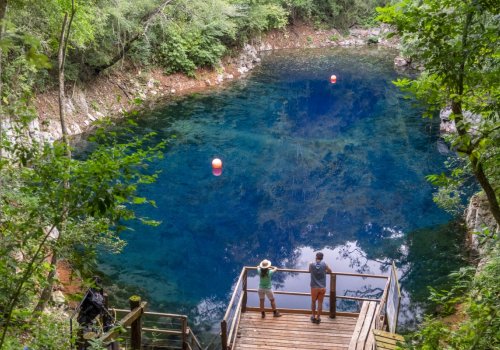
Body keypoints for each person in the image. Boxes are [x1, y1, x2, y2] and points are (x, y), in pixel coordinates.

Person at [309, 252, 332, 324]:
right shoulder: (325, 264)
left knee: (313, 302)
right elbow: (330, 271)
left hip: (314, 287)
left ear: (316, 257)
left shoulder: (311, 264)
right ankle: (318, 318)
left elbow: (309, 271)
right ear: (322, 258)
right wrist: (324, 271)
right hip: (322, 287)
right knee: (320, 303)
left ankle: (313, 316)